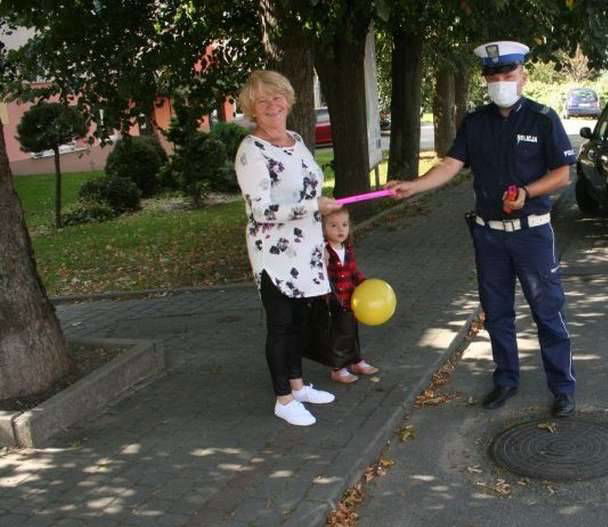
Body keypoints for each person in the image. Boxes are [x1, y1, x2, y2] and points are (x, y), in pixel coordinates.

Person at [387, 41, 577, 417]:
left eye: (508, 74)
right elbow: (449, 165)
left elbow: (562, 174)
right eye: (494, 76)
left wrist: (526, 192)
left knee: (548, 312)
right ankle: (506, 380)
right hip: (489, 236)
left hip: (531, 234)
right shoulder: (476, 123)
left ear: (523, 76)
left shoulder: (543, 119)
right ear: (486, 81)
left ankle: (563, 387)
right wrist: (415, 185)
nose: (501, 81)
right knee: (497, 312)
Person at [234, 70, 342, 427]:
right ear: (251, 108)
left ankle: (297, 387)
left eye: (277, 97)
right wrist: (313, 208)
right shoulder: (251, 151)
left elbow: (309, 189)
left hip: (306, 250)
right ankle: (283, 398)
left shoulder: (296, 139)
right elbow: (261, 210)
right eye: (262, 100)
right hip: (275, 256)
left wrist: (322, 232)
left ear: (288, 100)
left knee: (298, 323)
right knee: (280, 326)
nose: (272, 105)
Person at [321, 207, 379, 384]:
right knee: (339, 334)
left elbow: (354, 271)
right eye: (334, 225)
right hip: (335, 300)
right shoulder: (324, 251)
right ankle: (338, 368)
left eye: (344, 225)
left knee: (352, 331)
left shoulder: (347, 248)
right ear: (323, 229)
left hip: (352, 299)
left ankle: (356, 361)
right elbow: (321, 276)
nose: (340, 230)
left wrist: (365, 283)